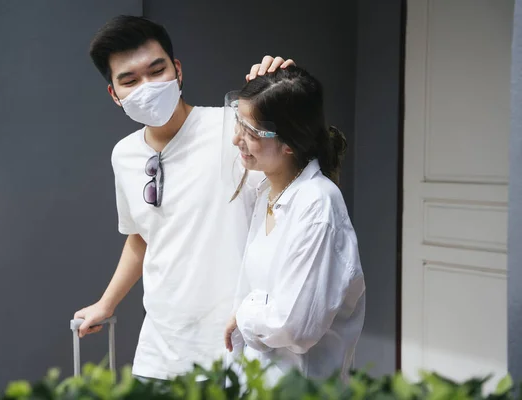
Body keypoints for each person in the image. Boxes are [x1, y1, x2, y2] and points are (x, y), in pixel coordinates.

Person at [72, 14, 293, 381]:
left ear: (177, 69)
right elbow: (142, 236)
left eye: (156, 70)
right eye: (129, 80)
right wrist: (105, 303)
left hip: (236, 348)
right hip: (160, 353)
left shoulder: (234, 130)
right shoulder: (123, 155)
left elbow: (299, 170)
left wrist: (284, 96)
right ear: (114, 94)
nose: (147, 85)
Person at [223, 65, 366, 386]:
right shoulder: (268, 192)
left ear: (290, 144)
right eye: (238, 124)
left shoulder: (317, 204)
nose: (236, 140)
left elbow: (295, 327)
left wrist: (245, 314)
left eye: (251, 132)